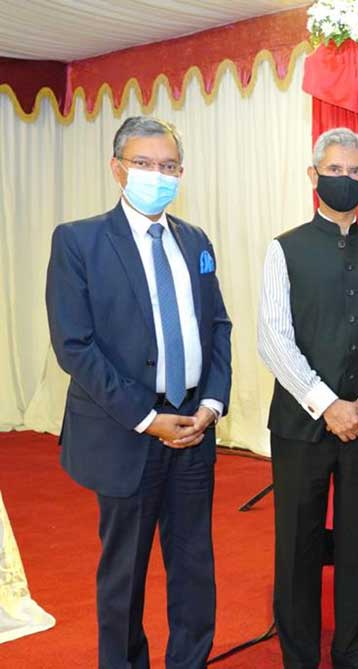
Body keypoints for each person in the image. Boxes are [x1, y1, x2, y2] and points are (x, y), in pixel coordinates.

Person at [45, 116, 232, 669]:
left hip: (194, 425)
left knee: (194, 563)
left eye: (168, 166)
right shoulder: (78, 240)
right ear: (117, 169)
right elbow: (74, 346)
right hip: (126, 427)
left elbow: (217, 325)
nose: (158, 175)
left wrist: (212, 404)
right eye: (144, 164)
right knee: (124, 572)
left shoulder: (195, 240)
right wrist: (147, 418)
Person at [258, 127, 358, 669]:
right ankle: (298, 656)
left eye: (354, 173)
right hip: (302, 426)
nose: (343, 180)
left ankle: (354, 651)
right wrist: (327, 404)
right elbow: (273, 338)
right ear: (313, 175)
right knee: (298, 545)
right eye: (334, 170)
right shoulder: (285, 249)